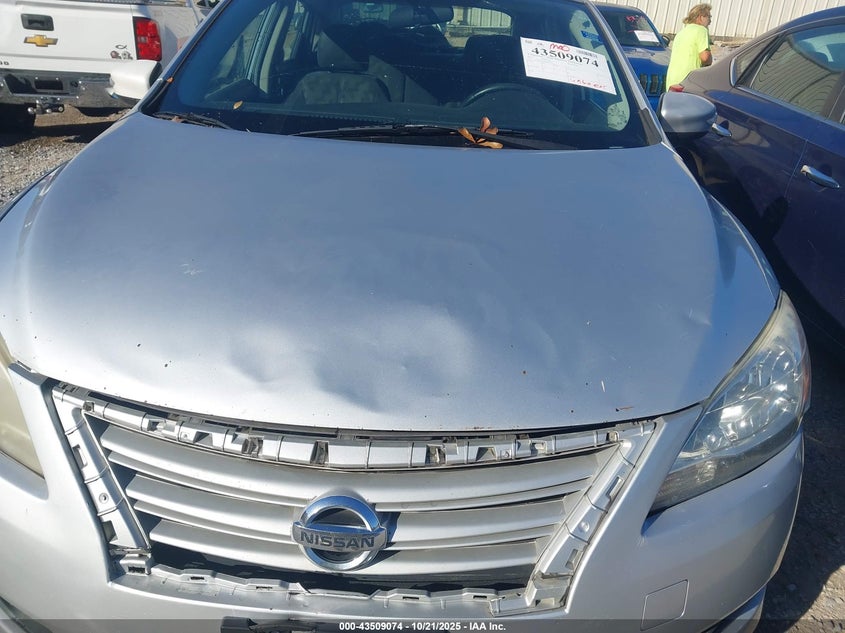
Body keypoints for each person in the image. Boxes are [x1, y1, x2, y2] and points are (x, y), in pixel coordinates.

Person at [666, 4, 713, 88]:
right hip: (689, 80)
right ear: (700, 17)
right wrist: (710, 61)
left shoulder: (681, 33)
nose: (710, 21)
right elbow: (705, 58)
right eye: (709, 17)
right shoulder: (701, 30)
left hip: (672, 79)